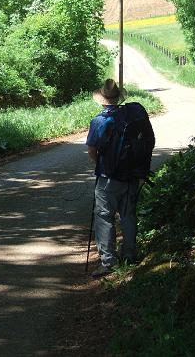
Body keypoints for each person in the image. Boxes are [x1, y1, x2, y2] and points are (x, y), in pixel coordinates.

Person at [86, 78, 155, 278]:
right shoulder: (131, 116)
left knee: (104, 217)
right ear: (118, 97)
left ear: (102, 99)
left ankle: (108, 262)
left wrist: (101, 162)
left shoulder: (99, 121)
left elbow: (92, 150)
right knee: (128, 214)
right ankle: (130, 255)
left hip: (108, 178)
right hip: (132, 174)